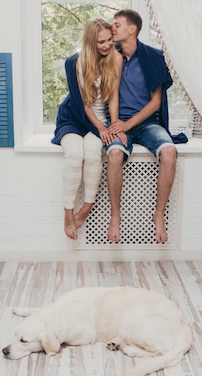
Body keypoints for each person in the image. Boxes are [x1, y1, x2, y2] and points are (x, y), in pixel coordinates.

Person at [106, 9, 186, 244]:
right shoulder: (112, 57)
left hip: (147, 124)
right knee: (114, 156)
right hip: (121, 123)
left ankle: (159, 215)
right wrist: (116, 126)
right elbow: (111, 95)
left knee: (170, 152)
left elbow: (156, 102)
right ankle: (115, 216)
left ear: (132, 29)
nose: (113, 28)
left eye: (117, 24)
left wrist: (126, 125)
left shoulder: (153, 56)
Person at [52, 18, 124, 240]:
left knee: (93, 153)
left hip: (100, 121)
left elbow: (113, 96)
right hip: (75, 117)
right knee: (74, 154)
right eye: (100, 42)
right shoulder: (74, 63)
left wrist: (112, 125)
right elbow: (82, 102)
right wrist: (101, 128)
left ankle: (86, 207)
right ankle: (68, 212)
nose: (106, 45)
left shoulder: (116, 58)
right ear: (90, 42)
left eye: (109, 40)